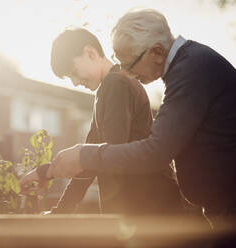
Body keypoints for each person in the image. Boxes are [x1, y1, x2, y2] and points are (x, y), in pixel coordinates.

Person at [47, 9, 236, 230]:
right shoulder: (188, 66)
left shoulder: (192, 71)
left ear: (156, 52)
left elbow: (155, 151)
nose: (126, 72)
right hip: (220, 208)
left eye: (129, 63)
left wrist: (83, 155)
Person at [20, 28, 184, 221]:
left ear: (90, 53)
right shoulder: (106, 90)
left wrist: (47, 172)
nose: (74, 83)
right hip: (141, 209)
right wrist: (62, 210)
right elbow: (92, 158)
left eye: (73, 72)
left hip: (151, 207)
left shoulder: (117, 84)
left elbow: (105, 155)